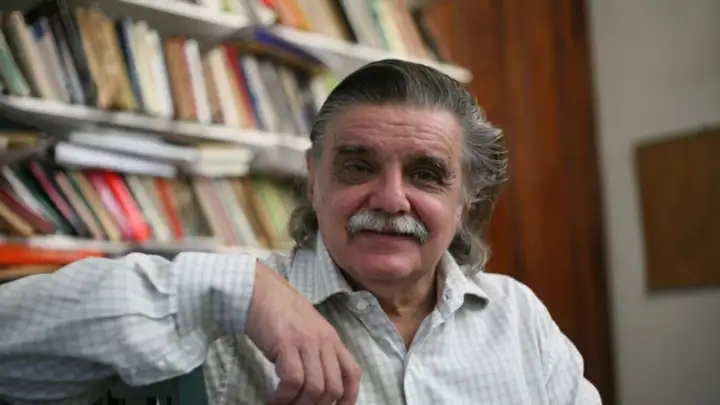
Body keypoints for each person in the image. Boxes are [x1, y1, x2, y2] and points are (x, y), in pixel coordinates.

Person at [0, 59, 602, 405]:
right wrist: (241, 291)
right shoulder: (227, 317)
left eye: (426, 174)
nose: (391, 199)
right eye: (358, 166)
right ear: (314, 180)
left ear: (466, 198)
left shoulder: (519, 318)